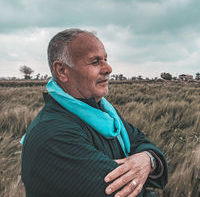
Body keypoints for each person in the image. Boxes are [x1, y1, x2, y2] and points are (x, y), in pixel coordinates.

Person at [21, 29, 168, 197]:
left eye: (106, 59)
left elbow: (141, 141)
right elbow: (127, 192)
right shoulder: (53, 134)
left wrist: (148, 159)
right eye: (95, 61)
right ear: (62, 71)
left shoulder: (105, 114)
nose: (108, 68)